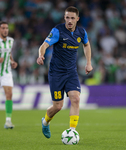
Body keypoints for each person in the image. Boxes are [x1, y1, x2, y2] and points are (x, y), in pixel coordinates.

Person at [37, 6, 93, 138]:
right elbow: (44, 45)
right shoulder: (57, 31)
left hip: (71, 72)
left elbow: (86, 45)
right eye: (67, 17)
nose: (69, 20)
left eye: (72, 18)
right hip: (56, 73)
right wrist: (41, 55)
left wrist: (88, 63)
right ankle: (45, 122)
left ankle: (72, 131)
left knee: (76, 98)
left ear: (77, 19)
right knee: (57, 106)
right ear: (64, 17)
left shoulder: (81, 32)